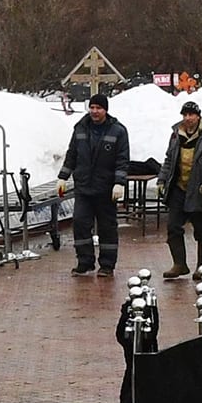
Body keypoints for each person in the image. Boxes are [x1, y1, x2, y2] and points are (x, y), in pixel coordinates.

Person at [57, 92, 131, 278]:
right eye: (92, 107)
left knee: (107, 227)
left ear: (105, 110)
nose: (95, 111)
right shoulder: (80, 128)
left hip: (106, 188)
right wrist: (63, 177)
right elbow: (72, 154)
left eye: (98, 108)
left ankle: (107, 264)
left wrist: (119, 183)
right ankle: (85, 261)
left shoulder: (118, 131)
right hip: (84, 186)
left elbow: (122, 160)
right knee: (80, 223)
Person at [156, 99, 202, 282]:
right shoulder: (176, 135)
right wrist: (162, 180)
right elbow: (169, 160)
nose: (188, 118)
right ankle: (179, 263)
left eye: (191, 115)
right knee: (173, 227)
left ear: (198, 116)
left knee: (201, 230)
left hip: (200, 189)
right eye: (185, 115)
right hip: (179, 188)